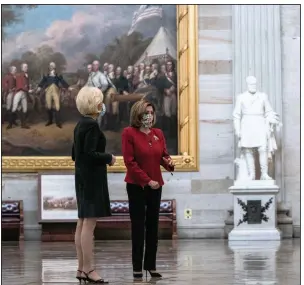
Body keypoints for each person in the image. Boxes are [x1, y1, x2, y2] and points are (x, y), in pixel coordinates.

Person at [121, 100, 175, 280]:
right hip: (137, 186)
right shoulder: (129, 133)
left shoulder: (158, 133)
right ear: (138, 115)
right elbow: (130, 162)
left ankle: (150, 265)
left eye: (151, 112)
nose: (149, 116)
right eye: (146, 113)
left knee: (153, 227)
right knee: (138, 227)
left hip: (156, 186)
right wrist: (147, 180)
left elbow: (163, 156)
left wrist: (169, 163)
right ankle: (137, 267)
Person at [72, 86, 116, 284]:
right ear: (95, 103)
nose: (102, 104)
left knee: (82, 222)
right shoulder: (92, 126)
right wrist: (109, 157)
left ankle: (81, 268)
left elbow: (75, 154)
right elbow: (90, 154)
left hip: (81, 178)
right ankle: (89, 269)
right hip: (92, 179)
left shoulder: (80, 124)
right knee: (89, 224)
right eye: (100, 100)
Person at [37, 62, 71, 128]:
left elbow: (62, 81)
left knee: (57, 106)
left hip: (55, 91)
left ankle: (58, 123)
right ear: (49, 67)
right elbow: (42, 82)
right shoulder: (46, 75)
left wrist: (68, 87)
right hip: (48, 91)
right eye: (50, 65)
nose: (51, 66)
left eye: (53, 65)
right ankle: (50, 121)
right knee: (49, 106)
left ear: (55, 67)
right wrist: (39, 87)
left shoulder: (58, 75)